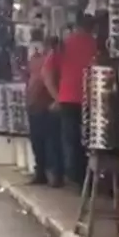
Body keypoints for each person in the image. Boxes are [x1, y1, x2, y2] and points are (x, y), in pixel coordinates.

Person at [42, 13, 97, 186]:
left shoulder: (63, 45)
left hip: (68, 100)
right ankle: (85, 178)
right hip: (92, 101)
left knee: (71, 140)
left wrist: (57, 96)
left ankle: (75, 176)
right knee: (90, 141)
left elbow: (46, 73)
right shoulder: (96, 44)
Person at [25, 36, 64, 187]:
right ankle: (43, 173)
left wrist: (57, 99)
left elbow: (47, 80)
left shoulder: (53, 61)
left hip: (46, 105)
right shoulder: (40, 60)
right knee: (41, 142)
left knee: (50, 142)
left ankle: (53, 174)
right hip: (37, 105)